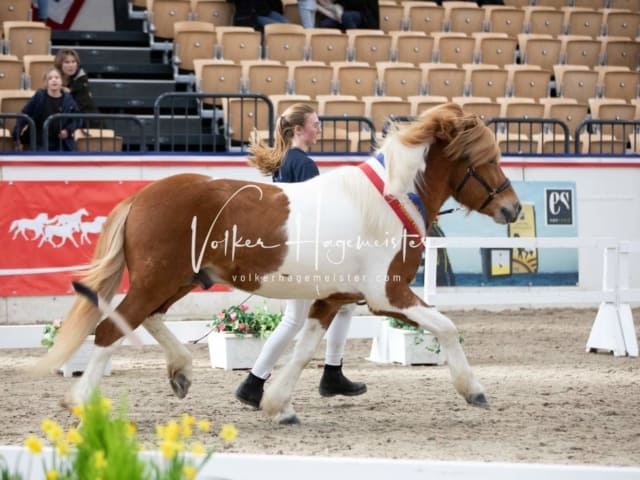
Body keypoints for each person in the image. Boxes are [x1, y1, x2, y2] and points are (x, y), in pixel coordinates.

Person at [235, 103, 366, 413]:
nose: (319, 129)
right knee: (296, 319)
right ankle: (255, 381)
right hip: (304, 252)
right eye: (315, 124)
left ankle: (331, 372)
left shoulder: (285, 162)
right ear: (298, 130)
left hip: (290, 249)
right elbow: (316, 219)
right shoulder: (304, 165)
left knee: (341, 307)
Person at [13, 67, 81, 152]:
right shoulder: (39, 96)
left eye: (57, 77)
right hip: (39, 142)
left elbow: (77, 119)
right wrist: (17, 134)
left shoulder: (69, 99)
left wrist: (68, 130)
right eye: (50, 78)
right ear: (46, 82)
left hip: (61, 144)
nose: (54, 80)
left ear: (61, 81)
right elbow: (25, 114)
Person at [54, 49, 99, 125]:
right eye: (67, 62)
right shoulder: (54, 79)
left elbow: (80, 108)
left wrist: (69, 93)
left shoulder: (82, 82)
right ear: (59, 64)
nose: (71, 65)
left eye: (73, 62)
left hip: (87, 124)